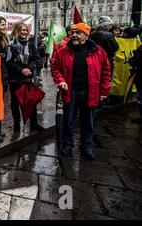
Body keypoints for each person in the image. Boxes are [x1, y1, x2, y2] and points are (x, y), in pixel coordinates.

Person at [51, 23, 111, 160]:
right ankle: (68, 145)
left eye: (78, 32)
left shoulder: (98, 51)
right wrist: (60, 80)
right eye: (72, 32)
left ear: (86, 34)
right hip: (70, 92)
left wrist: (104, 90)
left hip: (91, 92)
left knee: (88, 122)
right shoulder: (63, 51)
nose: (74, 35)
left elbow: (106, 71)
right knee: (68, 121)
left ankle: (87, 147)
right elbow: (55, 67)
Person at [6, 22, 44, 134]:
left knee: (31, 100)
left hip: (28, 77)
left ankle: (34, 123)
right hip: (15, 78)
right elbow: (8, 62)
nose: (25, 32)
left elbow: (37, 60)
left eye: (26, 30)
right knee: (15, 102)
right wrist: (20, 70)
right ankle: (17, 124)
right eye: (22, 30)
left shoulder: (32, 44)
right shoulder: (11, 44)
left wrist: (30, 69)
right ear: (17, 30)